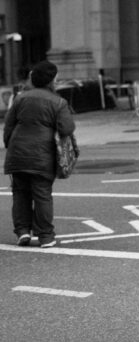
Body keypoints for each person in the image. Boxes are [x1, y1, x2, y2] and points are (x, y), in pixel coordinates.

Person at [3, 60, 75, 248]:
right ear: (51, 80)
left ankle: (22, 231)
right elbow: (66, 128)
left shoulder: (20, 98)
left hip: (17, 154)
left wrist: (10, 146)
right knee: (42, 194)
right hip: (43, 156)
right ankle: (45, 236)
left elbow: (8, 127)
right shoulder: (58, 102)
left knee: (20, 193)